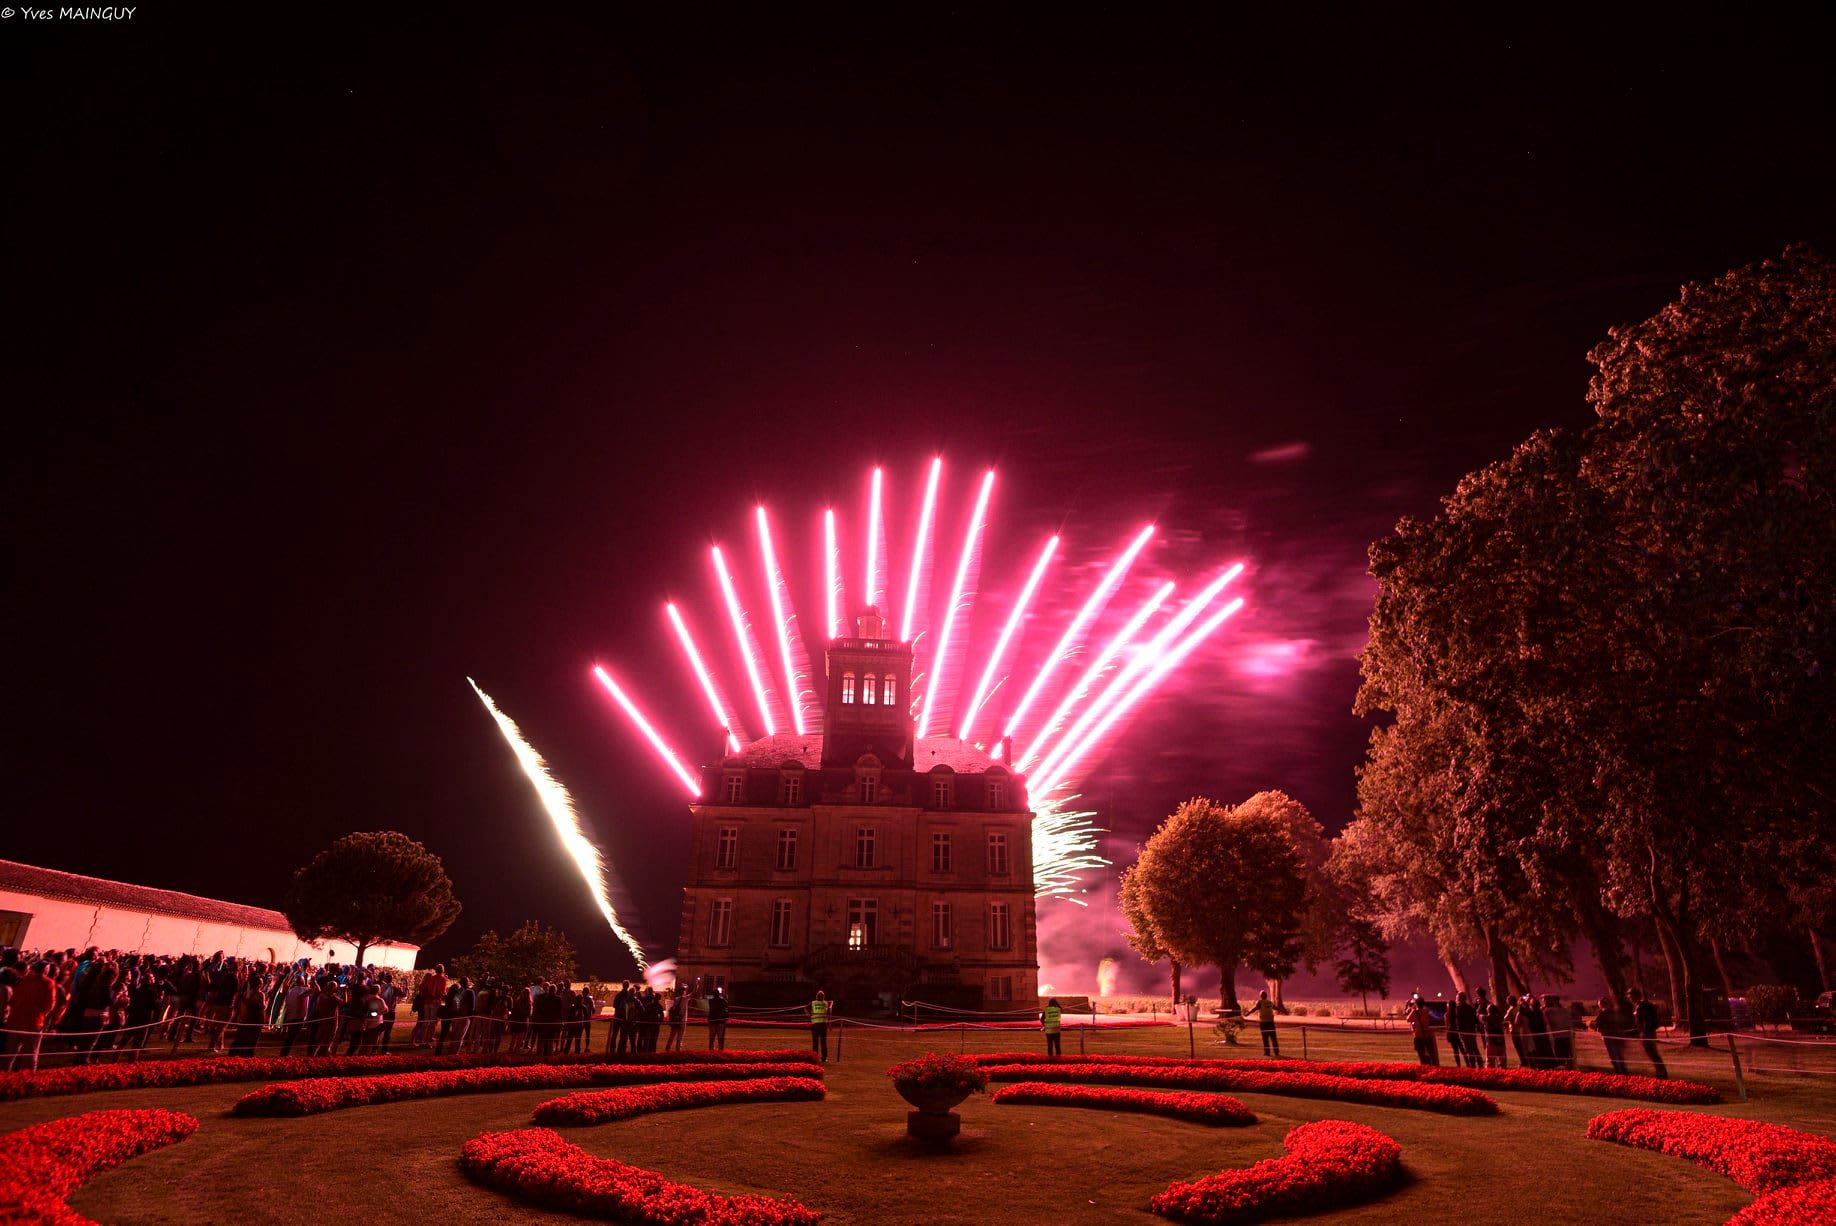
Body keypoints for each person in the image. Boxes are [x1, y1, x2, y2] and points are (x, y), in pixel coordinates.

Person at [7, 961, 59, 1071]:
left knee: (10, 1052)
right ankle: (28, 1078)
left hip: (16, 1019)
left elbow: (13, 999)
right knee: (31, 1052)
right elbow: (50, 1004)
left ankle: (4, 1074)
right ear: (45, 969)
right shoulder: (48, 983)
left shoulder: (24, 979)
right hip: (34, 1021)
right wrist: (43, 1014)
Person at [1628, 987, 1668, 1078]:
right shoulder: (1640, 1006)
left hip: (1647, 1034)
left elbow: (1647, 1021)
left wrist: (1644, 1032)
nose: (1630, 999)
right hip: (1646, 1033)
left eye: (1631, 996)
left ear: (1636, 996)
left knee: (1653, 1054)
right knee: (1652, 1054)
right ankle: (1660, 1072)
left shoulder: (1643, 1006)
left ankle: (1662, 1073)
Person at [1593, 994, 1632, 1075]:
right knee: (1618, 1054)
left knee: (1613, 1055)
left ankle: (1618, 1071)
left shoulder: (1602, 1014)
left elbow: (1596, 1025)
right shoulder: (1615, 1013)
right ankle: (1623, 1071)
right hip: (1617, 1035)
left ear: (1602, 1005)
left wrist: (1599, 1028)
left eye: (1600, 1004)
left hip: (1608, 1037)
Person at [1475, 987, 1507, 1069]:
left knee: (1490, 1059)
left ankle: (1490, 1074)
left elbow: (1479, 1016)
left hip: (1491, 1039)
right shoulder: (1499, 1017)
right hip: (1500, 1040)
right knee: (1502, 1059)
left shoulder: (1486, 1017)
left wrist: (1479, 1008)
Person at [1405, 993, 1440, 1065]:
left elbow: (1408, 1019)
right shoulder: (1426, 1011)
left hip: (1418, 1036)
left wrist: (1411, 1009)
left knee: (1422, 1055)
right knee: (1430, 1054)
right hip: (1427, 1035)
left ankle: (1424, 1067)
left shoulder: (1414, 1012)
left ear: (1416, 1004)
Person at [1543, 994, 1574, 1069]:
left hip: (1557, 1035)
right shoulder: (1564, 1010)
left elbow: (1545, 1021)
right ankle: (1570, 1066)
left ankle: (1562, 1067)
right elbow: (1569, 1021)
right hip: (1566, 1034)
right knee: (1567, 1052)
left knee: (1559, 1053)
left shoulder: (1548, 1011)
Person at [1253, 989, 1280, 1057]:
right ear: (1266, 996)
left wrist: (1247, 1013)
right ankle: (1276, 1052)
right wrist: (1284, 1011)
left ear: (1261, 996)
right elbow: (1276, 1008)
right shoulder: (1270, 1002)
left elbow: (1255, 1008)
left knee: (1265, 1038)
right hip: (1271, 1022)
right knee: (1273, 1038)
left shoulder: (1259, 1002)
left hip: (1264, 1022)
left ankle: (1267, 1052)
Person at [808, 989, 831, 1062]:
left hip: (820, 1024)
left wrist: (809, 1015)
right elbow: (805, 1008)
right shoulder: (816, 1003)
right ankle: (818, 1057)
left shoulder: (824, 1003)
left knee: (820, 1042)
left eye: (821, 995)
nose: (820, 996)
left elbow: (828, 1012)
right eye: (819, 995)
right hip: (818, 1024)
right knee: (819, 1042)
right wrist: (809, 1015)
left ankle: (822, 1058)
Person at [665, 988, 687, 1052]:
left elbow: (673, 1008)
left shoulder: (676, 999)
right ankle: (678, 1051)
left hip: (675, 1020)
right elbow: (694, 992)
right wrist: (697, 984)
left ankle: (667, 1050)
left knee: (671, 1036)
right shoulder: (685, 998)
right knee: (679, 1038)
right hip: (682, 1020)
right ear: (684, 992)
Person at [706, 986, 728, 1050]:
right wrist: (723, 995)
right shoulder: (722, 1001)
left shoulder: (711, 1001)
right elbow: (726, 1005)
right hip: (720, 1021)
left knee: (712, 1038)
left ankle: (711, 1050)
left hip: (713, 1020)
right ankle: (720, 1051)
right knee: (720, 1038)